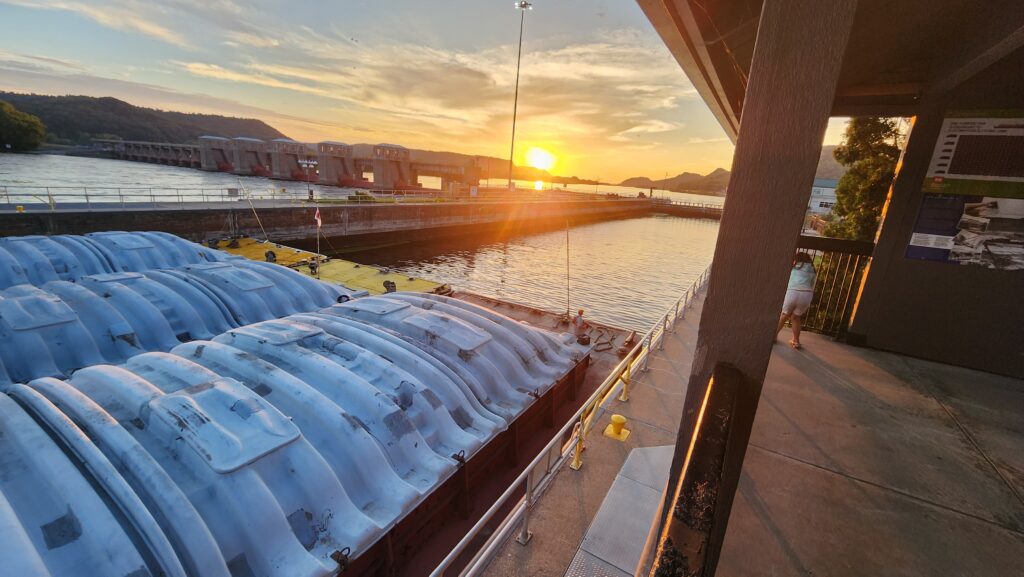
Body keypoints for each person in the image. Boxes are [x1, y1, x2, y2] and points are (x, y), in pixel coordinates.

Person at [777, 252, 816, 349]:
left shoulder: (793, 268)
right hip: (806, 295)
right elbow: (812, 285)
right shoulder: (812, 271)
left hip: (793, 292)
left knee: (784, 315)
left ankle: (773, 336)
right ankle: (796, 341)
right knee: (796, 317)